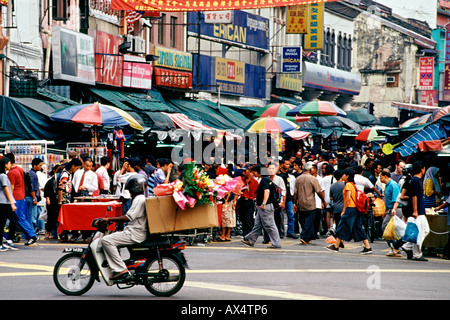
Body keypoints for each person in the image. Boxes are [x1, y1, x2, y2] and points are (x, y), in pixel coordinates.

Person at [99, 175, 148, 281]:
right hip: (134, 230)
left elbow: (128, 217)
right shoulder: (140, 198)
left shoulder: (139, 199)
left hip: (135, 233)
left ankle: (122, 270)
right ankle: (120, 264)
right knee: (113, 237)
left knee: (106, 241)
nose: (129, 192)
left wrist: (109, 219)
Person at [326, 168, 373, 254]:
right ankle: (367, 247)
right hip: (355, 209)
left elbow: (347, 199)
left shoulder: (348, 185)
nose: (342, 176)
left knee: (342, 226)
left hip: (350, 208)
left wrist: (344, 210)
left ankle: (336, 246)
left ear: (347, 176)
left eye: (344, 175)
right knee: (358, 227)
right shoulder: (353, 184)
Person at [392, 161, 428, 261]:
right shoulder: (415, 181)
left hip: (419, 210)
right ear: (422, 169)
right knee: (420, 232)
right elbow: (414, 196)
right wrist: (415, 210)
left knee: (424, 230)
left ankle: (407, 246)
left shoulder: (415, 180)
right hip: (417, 211)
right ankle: (417, 254)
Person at [241, 164, 281, 249]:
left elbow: (267, 191)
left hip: (265, 206)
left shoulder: (264, 180)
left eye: (254, 172)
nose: (253, 173)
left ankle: (276, 243)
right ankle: (250, 239)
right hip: (262, 206)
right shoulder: (266, 179)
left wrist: (263, 203)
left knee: (269, 225)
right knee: (258, 225)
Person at [5, 153, 38, 246]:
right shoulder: (19, 169)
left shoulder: (11, 173)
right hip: (21, 196)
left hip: (15, 197)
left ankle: (32, 235)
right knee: (18, 217)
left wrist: (10, 200)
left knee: (19, 218)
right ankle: (10, 237)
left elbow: (11, 188)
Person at [293, 162, 325, 245]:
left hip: (301, 203)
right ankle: (304, 237)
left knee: (302, 220)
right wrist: (323, 200)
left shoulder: (298, 179)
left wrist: (294, 203)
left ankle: (308, 237)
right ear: (310, 169)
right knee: (309, 221)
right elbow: (319, 192)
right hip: (310, 203)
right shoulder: (313, 179)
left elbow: (295, 192)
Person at [379, 171, 402, 257]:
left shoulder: (393, 185)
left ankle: (395, 247)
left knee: (386, 227)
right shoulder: (388, 185)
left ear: (385, 176)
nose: (380, 179)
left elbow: (397, 199)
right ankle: (395, 248)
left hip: (395, 209)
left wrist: (394, 209)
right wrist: (385, 211)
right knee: (392, 229)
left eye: (381, 177)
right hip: (390, 209)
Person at [234, 163, 258, 238]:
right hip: (241, 201)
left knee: (249, 219)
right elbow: (236, 190)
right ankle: (245, 235)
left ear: (249, 171)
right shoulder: (241, 180)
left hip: (250, 201)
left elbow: (257, 193)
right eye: (242, 171)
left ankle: (249, 235)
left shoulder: (255, 182)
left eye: (245, 171)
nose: (243, 172)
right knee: (243, 218)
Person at [0, 157, 19, 251]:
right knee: (3, 222)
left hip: (6, 202)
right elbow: (6, 189)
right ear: (5, 164)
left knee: (14, 220)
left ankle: (9, 240)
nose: (10, 165)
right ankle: (4, 242)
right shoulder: (3, 176)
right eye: (9, 163)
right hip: (3, 202)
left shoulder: (4, 175)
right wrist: (12, 203)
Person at [278, 158, 297, 239]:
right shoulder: (279, 175)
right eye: (287, 164)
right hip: (281, 197)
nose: (288, 166)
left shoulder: (288, 175)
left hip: (289, 197)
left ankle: (290, 232)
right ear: (282, 165)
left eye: (289, 164)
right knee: (280, 215)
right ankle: (280, 232)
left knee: (291, 214)